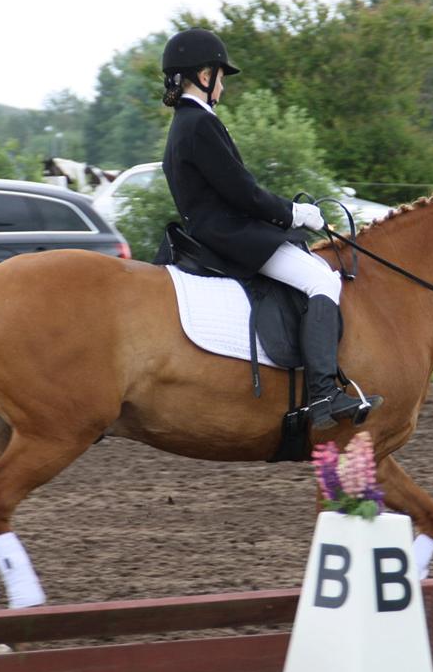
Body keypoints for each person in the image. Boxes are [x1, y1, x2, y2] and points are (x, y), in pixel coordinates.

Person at [160, 28, 382, 430]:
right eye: (221, 76)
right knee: (322, 280)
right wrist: (294, 214)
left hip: (216, 232)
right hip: (231, 237)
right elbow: (242, 192)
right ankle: (323, 394)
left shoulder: (184, 125)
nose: (223, 86)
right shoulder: (199, 125)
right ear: (204, 75)